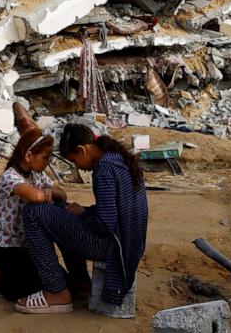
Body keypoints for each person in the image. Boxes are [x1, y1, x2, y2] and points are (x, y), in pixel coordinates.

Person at [15, 124, 148, 314]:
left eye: (74, 160)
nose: (77, 166)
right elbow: (115, 212)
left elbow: (105, 224)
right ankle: (81, 283)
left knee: (34, 213)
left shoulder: (103, 168)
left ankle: (57, 293)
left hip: (113, 247)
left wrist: (84, 214)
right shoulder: (118, 159)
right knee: (63, 210)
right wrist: (82, 211)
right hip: (126, 242)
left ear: (82, 150)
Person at [0, 128, 69, 301]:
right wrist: (46, 192)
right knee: (28, 290)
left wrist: (48, 191)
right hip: (8, 248)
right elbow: (36, 196)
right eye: (45, 157)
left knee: (59, 282)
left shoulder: (37, 175)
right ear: (29, 156)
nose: (48, 161)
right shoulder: (10, 177)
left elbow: (62, 194)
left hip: (30, 246)